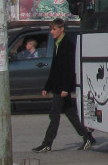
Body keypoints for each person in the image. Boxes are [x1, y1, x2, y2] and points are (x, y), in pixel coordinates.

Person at [32, 18, 95, 152]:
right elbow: (55, 69)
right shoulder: (57, 43)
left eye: (54, 29)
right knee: (71, 113)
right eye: (51, 29)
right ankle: (87, 136)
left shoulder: (67, 44)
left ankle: (47, 143)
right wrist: (46, 87)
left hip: (62, 87)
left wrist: (66, 88)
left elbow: (69, 69)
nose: (51, 32)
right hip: (57, 86)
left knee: (54, 114)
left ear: (62, 29)